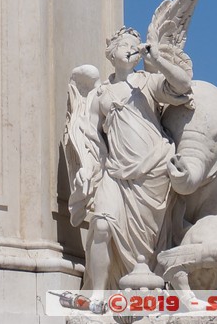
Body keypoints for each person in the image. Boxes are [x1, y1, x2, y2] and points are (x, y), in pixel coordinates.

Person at [81, 27, 193, 307]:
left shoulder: (148, 82)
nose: (132, 48)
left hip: (152, 171)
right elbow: (91, 136)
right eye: (125, 44)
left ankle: (147, 286)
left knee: (149, 246)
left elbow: (182, 85)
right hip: (115, 174)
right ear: (112, 53)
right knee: (102, 225)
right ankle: (97, 293)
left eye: (135, 44)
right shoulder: (100, 94)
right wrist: (89, 168)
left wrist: (159, 58)